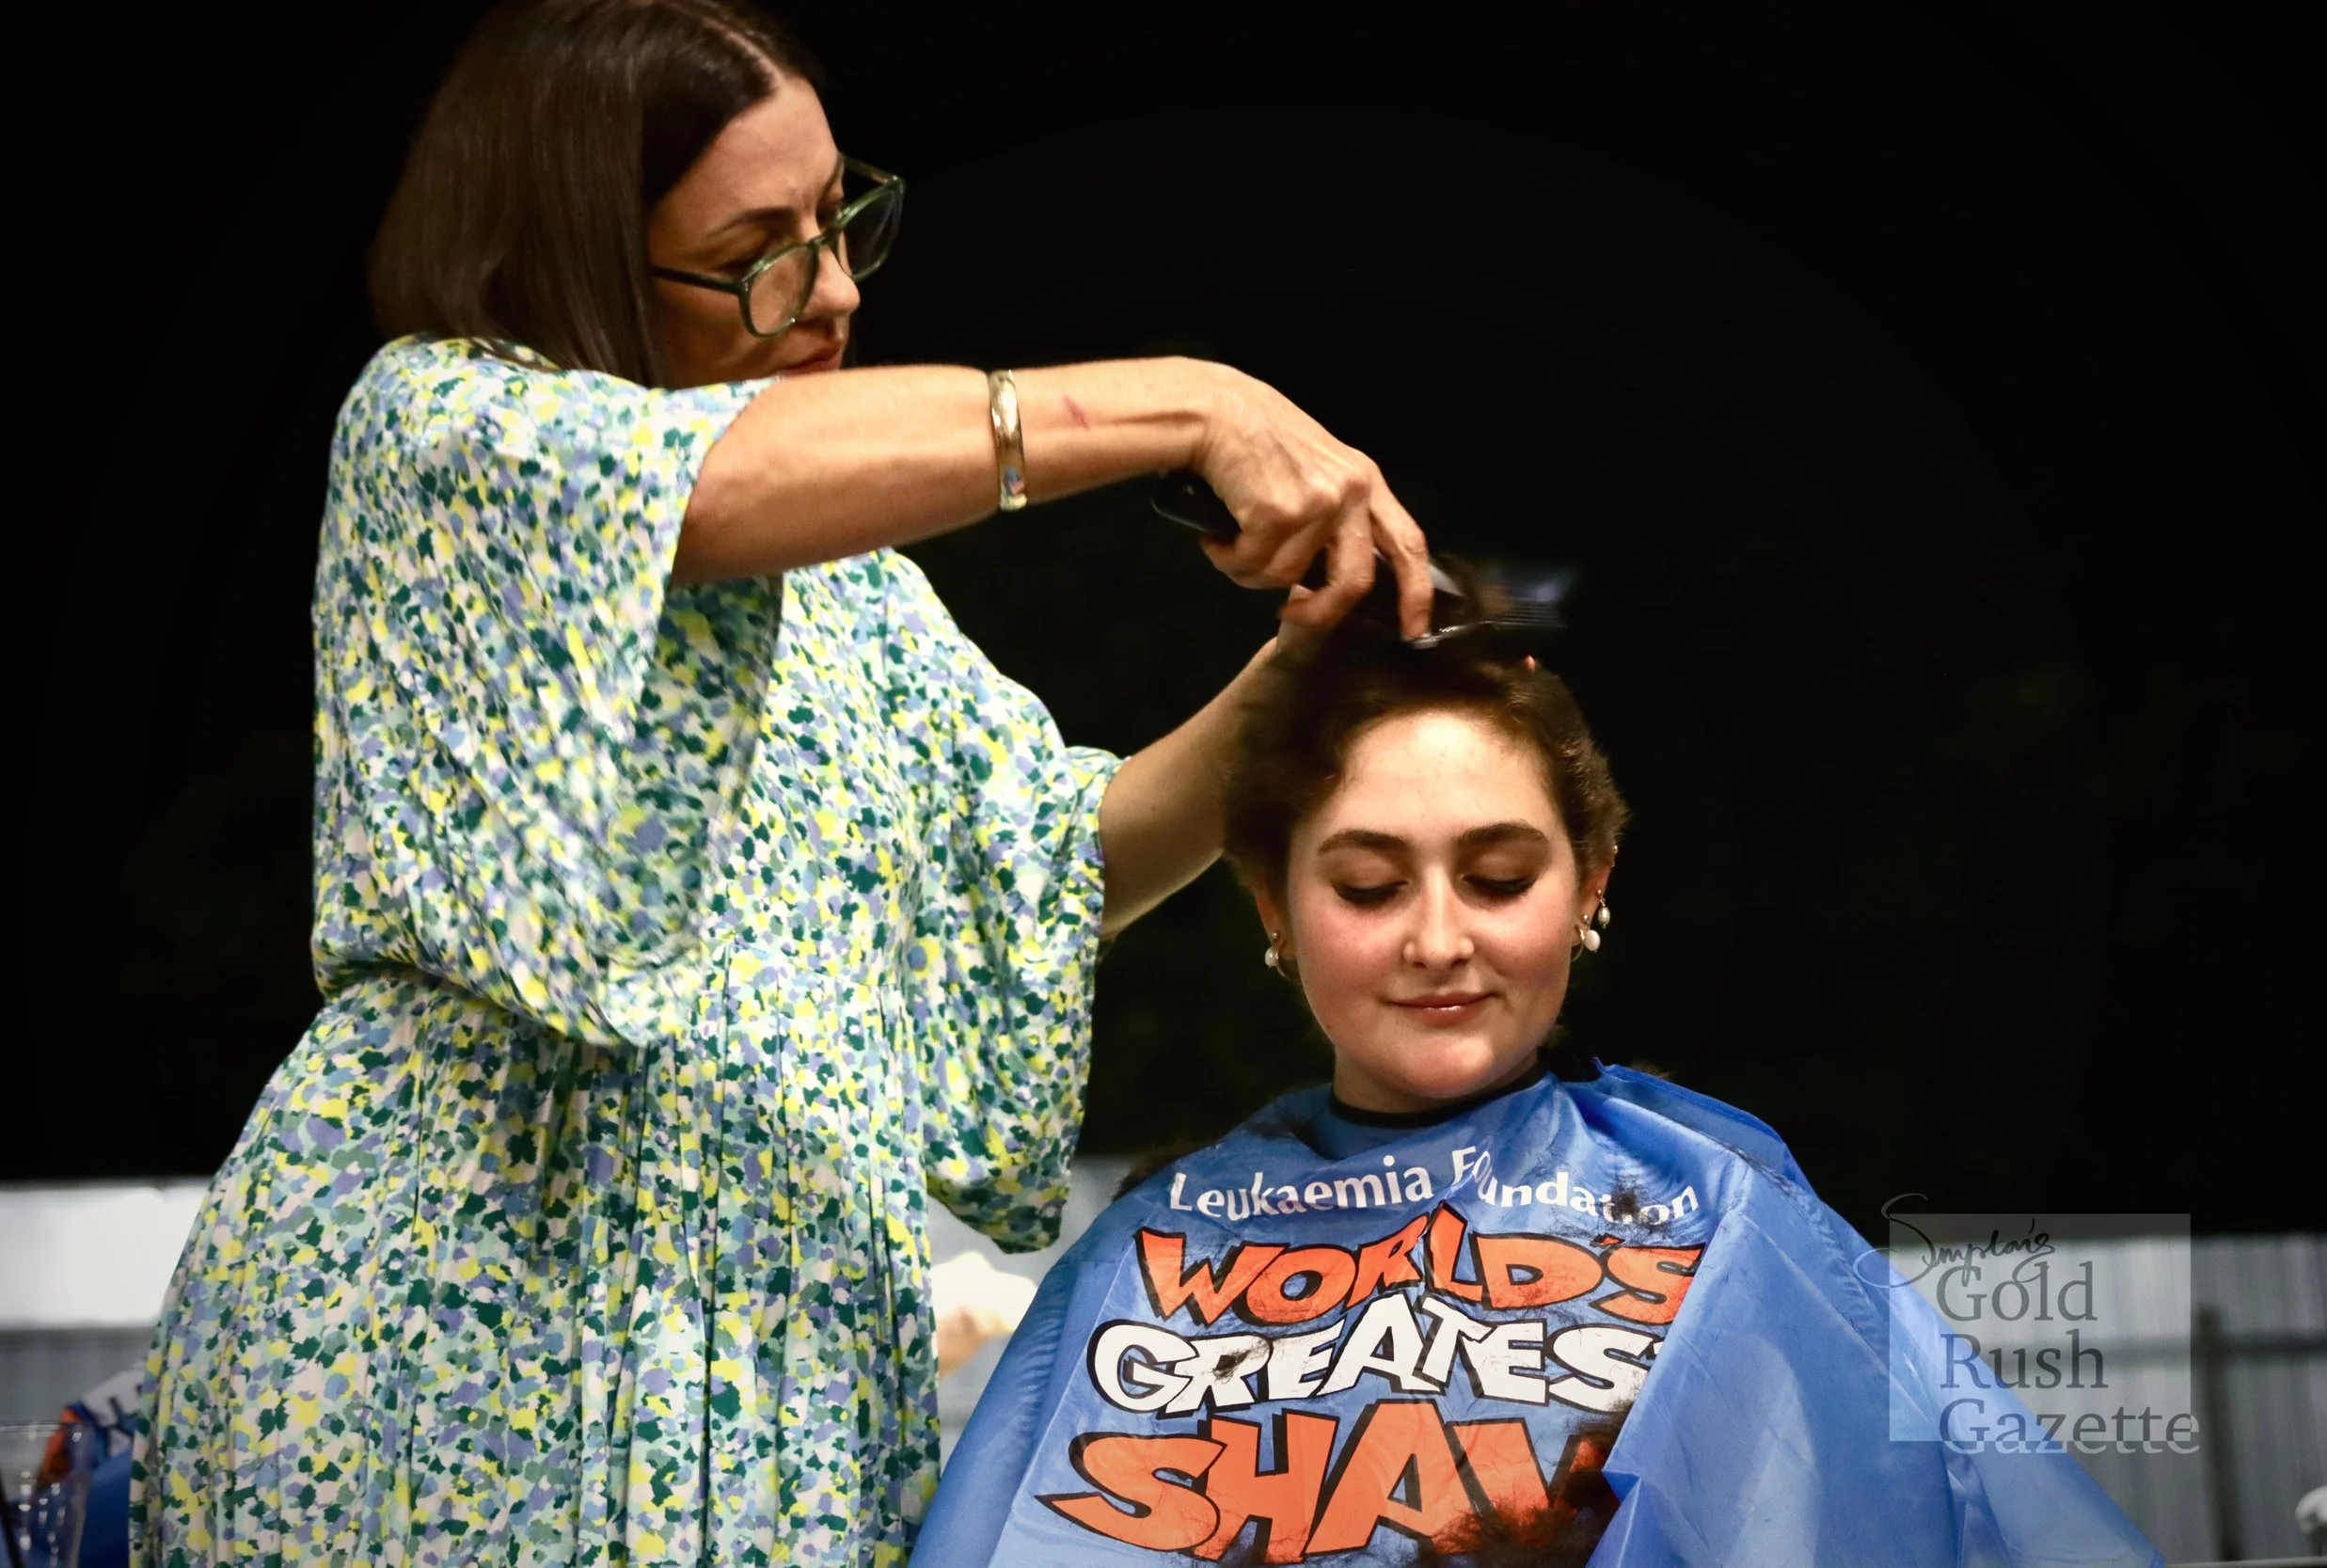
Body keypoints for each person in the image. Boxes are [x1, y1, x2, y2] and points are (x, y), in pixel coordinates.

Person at [129, 3, 1433, 1564]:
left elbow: (1039, 864)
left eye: (839, 221)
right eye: (758, 248)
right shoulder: (448, 426)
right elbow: (712, 483)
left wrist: (1311, 666)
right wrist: (1194, 399)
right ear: (581, 259)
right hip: (464, 1333)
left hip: (775, 1364)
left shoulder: (852, 583)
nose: (827, 290)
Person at [910, 582, 2161, 1566]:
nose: (1439, 938)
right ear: (1271, 903)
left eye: (1500, 876)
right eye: (1367, 883)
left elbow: (1961, 1517)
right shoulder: (1158, 1239)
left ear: (1591, 887)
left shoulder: (1719, 1203)